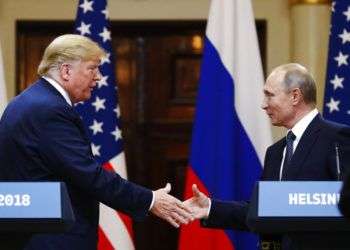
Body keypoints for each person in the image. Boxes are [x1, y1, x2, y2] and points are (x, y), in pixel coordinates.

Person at [0, 34, 193, 250]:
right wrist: (149, 200)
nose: (99, 77)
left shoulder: (27, 101)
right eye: (93, 68)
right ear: (66, 71)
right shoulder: (49, 110)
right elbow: (88, 174)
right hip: (51, 240)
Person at [184, 63, 350, 250]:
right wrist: (210, 208)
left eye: (270, 95)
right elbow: (263, 210)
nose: (263, 104)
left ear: (295, 96)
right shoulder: (275, 152)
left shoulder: (338, 139)